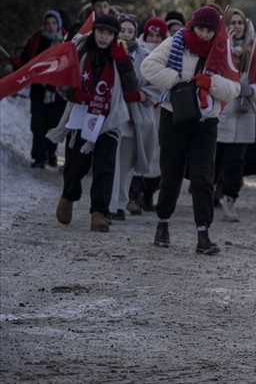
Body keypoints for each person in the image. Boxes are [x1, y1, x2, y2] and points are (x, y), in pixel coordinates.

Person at [141, 6, 241, 255]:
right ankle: (163, 223)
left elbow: (234, 88)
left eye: (210, 29)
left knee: (203, 176)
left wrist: (212, 83)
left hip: (206, 121)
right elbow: (148, 67)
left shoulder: (222, 49)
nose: (205, 34)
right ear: (192, 26)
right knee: (171, 174)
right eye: (201, 28)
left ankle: (203, 232)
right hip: (174, 115)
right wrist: (178, 80)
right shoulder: (175, 42)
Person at [48, 14, 139, 232]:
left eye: (109, 33)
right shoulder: (79, 51)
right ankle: (68, 196)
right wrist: (74, 94)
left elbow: (132, 86)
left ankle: (99, 213)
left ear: (115, 36)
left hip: (109, 120)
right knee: (75, 165)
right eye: (101, 32)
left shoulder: (121, 56)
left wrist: (123, 62)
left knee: (104, 168)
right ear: (95, 31)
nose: (104, 37)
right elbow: (61, 83)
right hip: (80, 115)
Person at [215, 7, 256, 223]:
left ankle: (230, 200)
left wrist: (251, 90)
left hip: (243, 111)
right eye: (232, 23)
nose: (235, 26)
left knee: (236, 161)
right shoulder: (216, 49)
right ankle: (209, 195)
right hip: (219, 110)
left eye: (239, 23)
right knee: (214, 158)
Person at [108, 14, 159, 221]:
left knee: (127, 163)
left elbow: (155, 86)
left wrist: (140, 95)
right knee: (110, 161)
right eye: (122, 30)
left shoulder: (145, 55)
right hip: (112, 114)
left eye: (130, 31)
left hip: (135, 116)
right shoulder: (108, 53)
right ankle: (108, 204)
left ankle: (120, 203)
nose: (126, 34)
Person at [10, 10, 68, 168]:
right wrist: (17, 63)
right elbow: (26, 62)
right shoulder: (36, 40)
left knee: (53, 122)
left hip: (57, 91)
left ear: (59, 24)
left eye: (54, 23)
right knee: (38, 123)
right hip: (39, 88)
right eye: (48, 23)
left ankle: (51, 151)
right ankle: (39, 156)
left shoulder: (66, 41)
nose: (50, 27)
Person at [128, 17, 170, 214]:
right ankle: (134, 191)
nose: (154, 39)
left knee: (159, 150)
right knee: (140, 146)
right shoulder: (138, 53)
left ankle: (149, 193)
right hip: (142, 107)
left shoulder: (171, 54)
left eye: (158, 36)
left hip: (162, 108)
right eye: (150, 35)